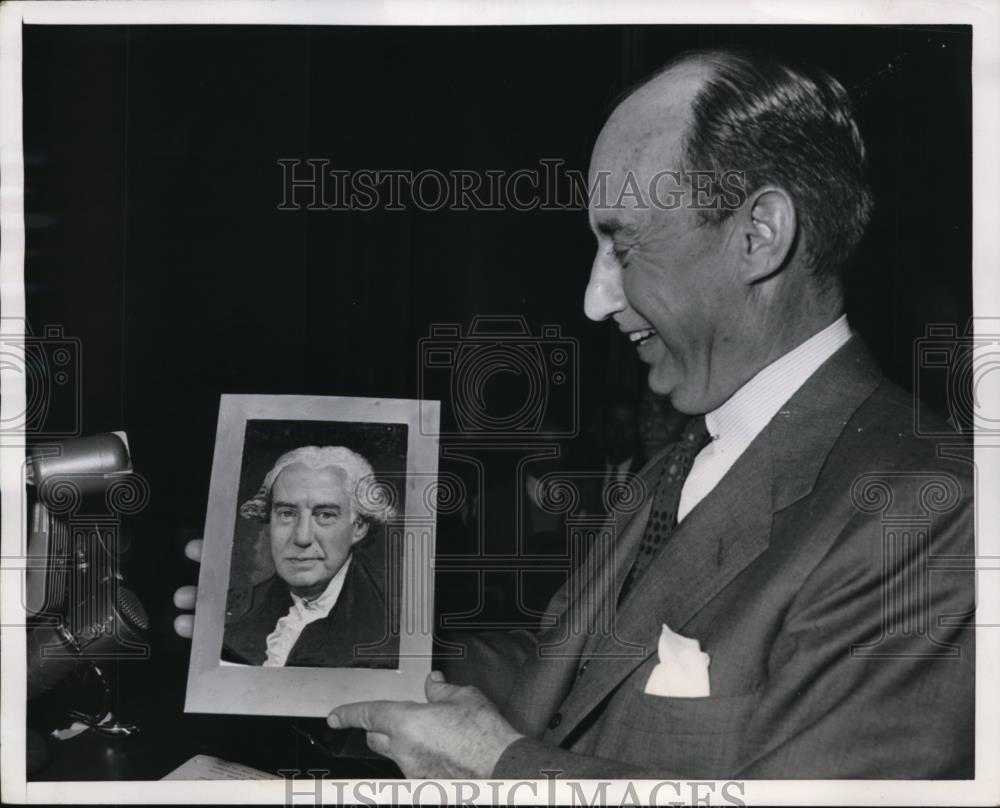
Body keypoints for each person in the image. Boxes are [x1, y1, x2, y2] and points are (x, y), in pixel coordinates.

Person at [176, 48, 974, 779]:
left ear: (759, 235)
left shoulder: (928, 507)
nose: (595, 301)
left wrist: (497, 770)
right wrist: (329, 643)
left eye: (623, 248)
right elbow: (568, 675)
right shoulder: (684, 458)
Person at [221, 445, 399, 668]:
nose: (302, 537)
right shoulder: (236, 612)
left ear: (359, 527)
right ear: (269, 521)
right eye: (287, 514)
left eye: (325, 515)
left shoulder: (397, 621)